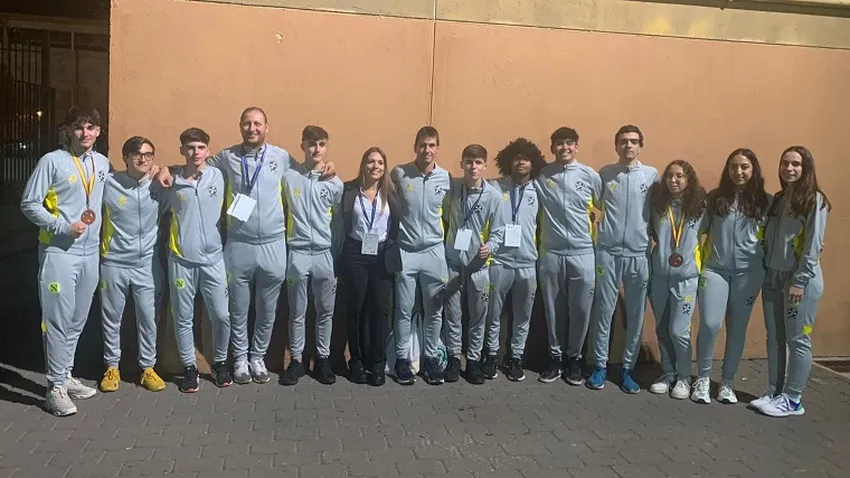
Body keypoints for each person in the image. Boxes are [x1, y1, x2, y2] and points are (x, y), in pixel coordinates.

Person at [154, 107, 336, 384]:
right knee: (237, 309)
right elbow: (193, 164)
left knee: (267, 308)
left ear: (266, 127)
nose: (253, 128)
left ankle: (257, 357)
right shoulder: (226, 157)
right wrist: (164, 168)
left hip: (274, 243)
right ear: (240, 127)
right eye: (247, 123)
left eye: (258, 123)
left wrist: (329, 165)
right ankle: (239, 359)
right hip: (239, 243)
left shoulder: (281, 157)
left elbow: (307, 169)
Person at [21, 106, 110, 416]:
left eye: (90, 127)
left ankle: (66, 374)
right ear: (69, 131)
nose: (85, 133)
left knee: (77, 320)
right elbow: (29, 203)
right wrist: (61, 226)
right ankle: (54, 388)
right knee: (57, 321)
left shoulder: (102, 163)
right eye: (79, 127)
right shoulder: (52, 161)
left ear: (98, 132)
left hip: (90, 253)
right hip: (59, 252)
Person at [751, 146, 830, 418]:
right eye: (785, 163)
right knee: (775, 338)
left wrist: (800, 280)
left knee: (798, 339)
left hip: (799, 281)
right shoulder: (779, 199)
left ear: (806, 168)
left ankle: (793, 399)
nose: (789, 168)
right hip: (773, 277)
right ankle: (775, 391)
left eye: (796, 164)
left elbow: (813, 246)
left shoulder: (815, 201)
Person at [693, 149, 770, 404]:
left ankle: (727, 383)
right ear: (727, 170)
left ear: (753, 169)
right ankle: (703, 379)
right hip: (715, 270)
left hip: (749, 274)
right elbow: (697, 231)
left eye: (744, 167)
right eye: (734, 167)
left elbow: (777, 238)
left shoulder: (766, 202)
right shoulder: (715, 198)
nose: (739, 172)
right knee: (710, 324)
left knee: (737, 328)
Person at [587, 125, 659, 393]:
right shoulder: (605, 174)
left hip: (639, 254)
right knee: (604, 312)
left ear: (641, 146)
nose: (629, 145)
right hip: (608, 252)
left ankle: (628, 369)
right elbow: (593, 203)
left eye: (634, 141)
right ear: (616, 146)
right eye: (624, 141)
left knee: (636, 314)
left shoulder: (651, 175)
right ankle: (599, 366)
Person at [162, 127, 232, 392]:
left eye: (201, 147)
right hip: (181, 259)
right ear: (182, 150)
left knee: (221, 315)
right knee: (183, 317)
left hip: (214, 259)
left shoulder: (218, 176)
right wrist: (162, 169)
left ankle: (220, 362)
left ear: (208, 150)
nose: (195, 152)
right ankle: (189, 368)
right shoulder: (172, 182)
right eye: (190, 148)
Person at [98, 136, 167, 393]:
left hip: (147, 263)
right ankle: (111, 367)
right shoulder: (109, 184)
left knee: (148, 318)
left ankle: (148, 367)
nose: (143, 159)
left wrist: (165, 169)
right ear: (125, 157)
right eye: (137, 154)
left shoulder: (159, 185)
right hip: (114, 262)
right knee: (111, 318)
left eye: (148, 155)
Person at [534, 127, 602, 385]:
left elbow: (606, 205)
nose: (565, 148)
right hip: (550, 252)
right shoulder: (542, 176)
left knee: (581, 309)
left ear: (577, 146)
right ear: (553, 148)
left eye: (569, 143)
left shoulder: (589, 175)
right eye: (560, 143)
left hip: (582, 252)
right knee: (553, 309)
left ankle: (575, 358)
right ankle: (555, 358)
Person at [279, 126, 344, 386]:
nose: (316, 149)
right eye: (311, 144)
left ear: (326, 147)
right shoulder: (288, 177)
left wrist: (335, 256)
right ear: (303, 146)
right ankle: (296, 361)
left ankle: (323, 360)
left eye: (321, 144)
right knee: (297, 311)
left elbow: (338, 224)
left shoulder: (335, 183)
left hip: (324, 254)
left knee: (326, 311)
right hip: (297, 252)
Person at [390, 126, 451, 385]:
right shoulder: (400, 173)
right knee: (403, 309)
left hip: (434, 252)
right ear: (415, 147)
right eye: (423, 145)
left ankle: (430, 359)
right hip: (407, 251)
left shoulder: (446, 178)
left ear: (438, 148)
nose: (427, 150)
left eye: (432, 145)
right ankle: (402, 359)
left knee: (434, 309)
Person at [443, 144, 504, 384]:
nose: (473, 167)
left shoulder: (493, 196)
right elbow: (444, 216)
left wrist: (491, 246)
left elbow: (499, 231)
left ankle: (474, 361)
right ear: (462, 164)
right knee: (453, 314)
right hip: (453, 261)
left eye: (478, 162)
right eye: (469, 162)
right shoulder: (453, 188)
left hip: (479, 264)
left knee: (478, 316)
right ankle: (453, 358)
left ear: (485, 166)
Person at [340, 147, 401, 387]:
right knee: (355, 309)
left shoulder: (391, 194)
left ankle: (377, 362)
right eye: (371, 161)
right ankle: (356, 360)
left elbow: (395, 225)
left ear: (385, 167)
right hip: (356, 253)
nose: (375, 166)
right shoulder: (349, 190)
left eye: (380, 163)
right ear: (363, 164)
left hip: (382, 254)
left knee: (380, 310)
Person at [485, 138, 545, 382]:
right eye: (517, 158)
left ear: (533, 163)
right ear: (508, 161)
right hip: (499, 261)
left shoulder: (539, 190)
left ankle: (516, 357)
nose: (521, 162)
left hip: (527, 263)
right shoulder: (494, 188)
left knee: (523, 316)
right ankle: (491, 355)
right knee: (493, 313)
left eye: (526, 158)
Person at [647, 160, 707, 399]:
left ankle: (684, 377)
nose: (674, 180)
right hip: (659, 276)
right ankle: (667, 373)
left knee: (678, 331)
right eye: (670, 176)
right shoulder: (657, 206)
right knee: (662, 329)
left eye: (680, 176)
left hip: (686, 277)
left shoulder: (701, 207)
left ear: (689, 179)